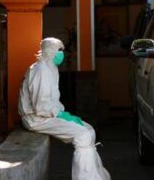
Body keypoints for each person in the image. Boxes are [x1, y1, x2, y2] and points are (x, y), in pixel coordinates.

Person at [18, 37, 110, 180]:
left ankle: (95, 176)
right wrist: (60, 115)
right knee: (83, 135)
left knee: (89, 130)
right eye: (59, 50)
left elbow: (51, 100)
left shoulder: (50, 67)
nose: (62, 54)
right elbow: (41, 107)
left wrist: (62, 113)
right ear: (50, 51)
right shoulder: (41, 70)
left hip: (46, 115)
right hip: (36, 119)